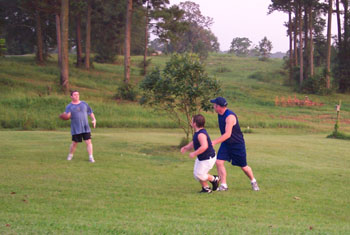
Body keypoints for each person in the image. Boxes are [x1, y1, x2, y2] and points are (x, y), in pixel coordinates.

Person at [210, 97, 259, 191]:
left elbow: (228, 134)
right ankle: (224, 185)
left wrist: (214, 142)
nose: (213, 107)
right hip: (226, 144)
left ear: (219, 106)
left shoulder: (230, 117)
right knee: (219, 162)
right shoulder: (220, 114)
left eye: (214, 105)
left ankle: (253, 181)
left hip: (237, 144)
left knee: (244, 166)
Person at [181, 114, 220, 193]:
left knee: (200, 174)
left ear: (195, 123)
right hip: (202, 157)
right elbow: (194, 142)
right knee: (197, 174)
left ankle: (214, 179)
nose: (191, 122)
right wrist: (186, 147)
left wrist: (194, 153)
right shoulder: (197, 132)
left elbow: (204, 146)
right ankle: (206, 188)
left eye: (192, 121)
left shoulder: (201, 134)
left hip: (208, 158)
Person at [63, 90, 96, 163]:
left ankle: (91, 157)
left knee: (88, 142)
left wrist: (94, 119)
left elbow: (90, 112)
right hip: (76, 128)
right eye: (75, 95)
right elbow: (66, 115)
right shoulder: (69, 106)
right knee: (75, 143)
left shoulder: (84, 104)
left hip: (85, 127)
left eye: (78, 94)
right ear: (71, 96)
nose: (77, 96)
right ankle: (70, 155)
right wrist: (65, 116)